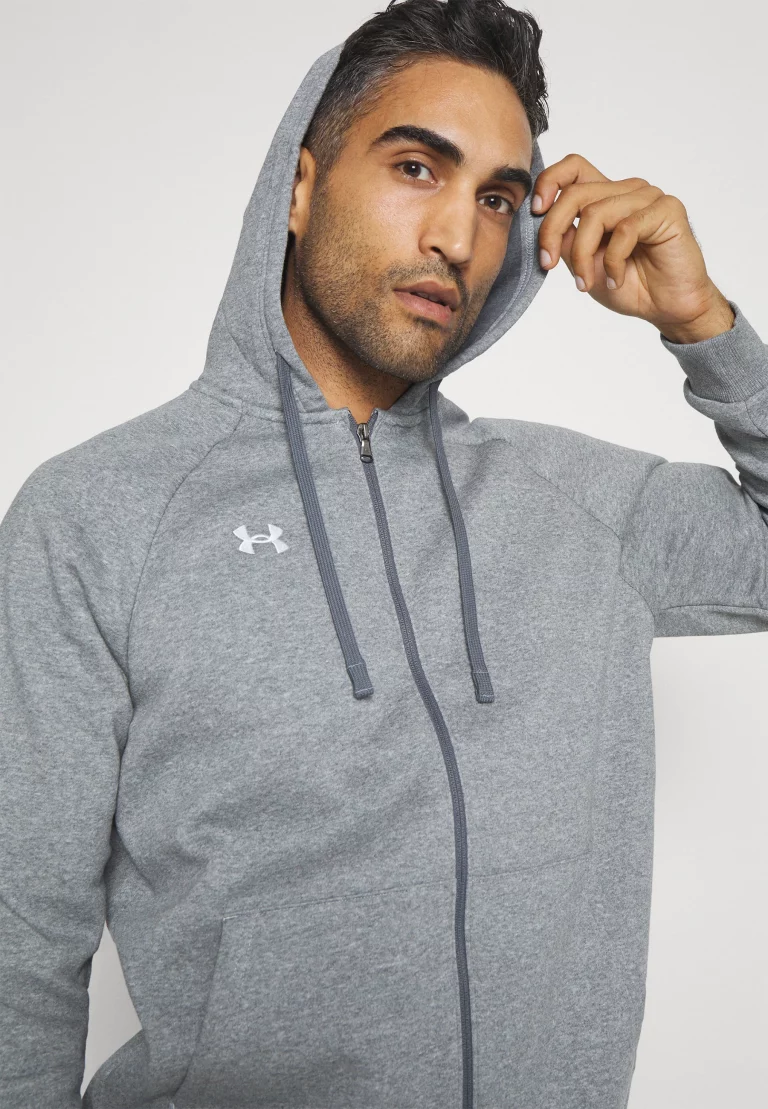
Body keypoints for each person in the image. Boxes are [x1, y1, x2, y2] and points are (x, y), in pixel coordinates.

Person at [1, 1, 766, 1107]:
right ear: (299, 187)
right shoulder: (98, 516)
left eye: (496, 198)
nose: (457, 236)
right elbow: (20, 942)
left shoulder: (581, 505)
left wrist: (707, 328)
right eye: (417, 167)